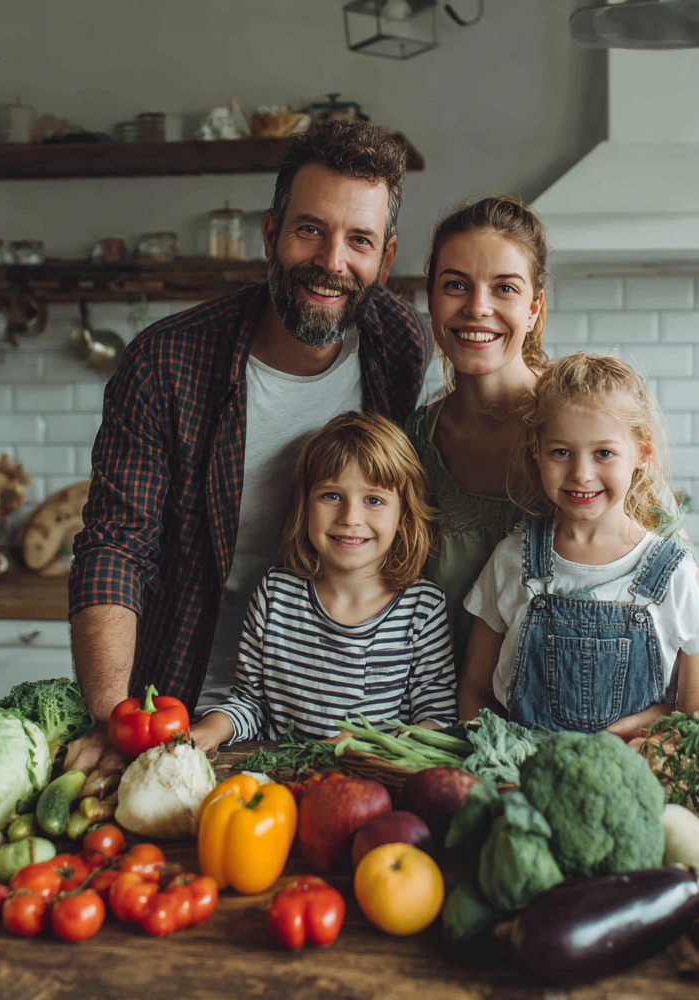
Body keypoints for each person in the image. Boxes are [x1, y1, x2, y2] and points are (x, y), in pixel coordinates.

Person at [66, 121, 432, 771]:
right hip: (182, 702)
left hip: (336, 716)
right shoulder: (165, 362)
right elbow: (115, 547)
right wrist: (113, 719)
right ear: (271, 233)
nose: (331, 261)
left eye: (359, 241)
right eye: (309, 229)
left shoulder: (400, 345)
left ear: (386, 258)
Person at [457, 353, 699, 734]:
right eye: (561, 452)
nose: (581, 474)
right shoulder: (512, 560)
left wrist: (650, 741)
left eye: (604, 453)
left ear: (642, 453)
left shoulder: (673, 573)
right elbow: (474, 692)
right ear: (537, 451)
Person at [190, 412, 456, 750]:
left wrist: (369, 745)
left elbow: (437, 718)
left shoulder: (423, 608)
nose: (350, 518)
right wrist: (211, 729)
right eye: (331, 496)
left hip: (374, 787)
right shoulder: (275, 594)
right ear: (306, 506)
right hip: (285, 782)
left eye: (373, 500)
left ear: (403, 517)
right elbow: (251, 704)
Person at [406, 196, 546, 673]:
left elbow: (680, 582)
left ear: (534, 308)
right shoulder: (407, 449)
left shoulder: (591, 430)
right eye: (456, 285)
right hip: (430, 734)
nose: (477, 307)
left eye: (504, 288)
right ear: (431, 298)